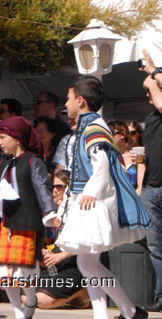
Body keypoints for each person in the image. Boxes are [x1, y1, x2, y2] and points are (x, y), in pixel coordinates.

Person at [55, 75, 151, 319]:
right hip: (89, 199)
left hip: (92, 202)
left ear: (80, 100)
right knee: (87, 263)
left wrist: (90, 191)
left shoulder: (94, 127)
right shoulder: (91, 125)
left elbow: (101, 166)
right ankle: (121, 312)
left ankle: (128, 311)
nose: (65, 105)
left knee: (87, 263)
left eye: (68, 99)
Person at [0, 116, 57, 319]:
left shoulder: (32, 161)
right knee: (4, 273)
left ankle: (30, 299)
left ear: (16, 138)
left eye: (3, 137)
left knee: (24, 272)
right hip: (5, 224)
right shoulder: (1, 165)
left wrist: (49, 212)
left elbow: (41, 188)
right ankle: (18, 313)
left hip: (26, 223)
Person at [23, 170, 90, 310]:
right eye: (53, 187)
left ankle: (81, 292)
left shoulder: (80, 210)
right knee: (13, 286)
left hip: (75, 266)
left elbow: (89, 242)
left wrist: (61, 256)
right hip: (54, 268)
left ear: (69, 190)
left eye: (60, 187)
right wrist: (41, 253)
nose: (55, 191)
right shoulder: (51, 215)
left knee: (40, 301)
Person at [139, 48, 162, 312]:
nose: (148, 92)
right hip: (151, 188)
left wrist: (152, 73)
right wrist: (140, 186)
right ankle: (160, 295)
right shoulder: (150, 118)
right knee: (156, 246)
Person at [108, 120, 144, 195]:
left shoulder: (136, 155)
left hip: (134, 198)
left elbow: (141, 186)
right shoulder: (108, 157)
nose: (108, 137)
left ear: (122, 134)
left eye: (111, 133)